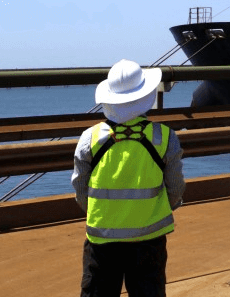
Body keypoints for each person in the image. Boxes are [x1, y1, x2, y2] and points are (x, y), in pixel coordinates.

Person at [72, 60, 185, 297]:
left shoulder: (89, 138)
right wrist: (159, 209)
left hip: (102, 239)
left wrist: (103, 214)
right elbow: (175, 188)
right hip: (149, 239)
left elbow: (81, 190)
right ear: (146, 96)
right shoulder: (165, 137)